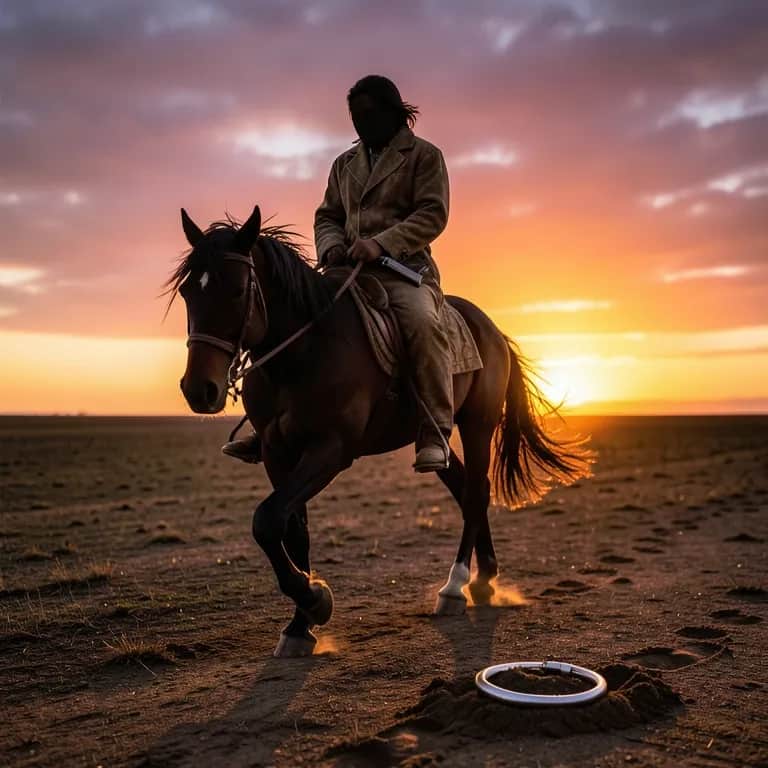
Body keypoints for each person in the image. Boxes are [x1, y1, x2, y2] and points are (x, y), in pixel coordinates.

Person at [223, 74, 453, 471]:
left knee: (422, 323)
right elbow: (328, 215)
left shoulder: (425, 156)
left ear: (392, 112)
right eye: (355, 116)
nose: (360, 123)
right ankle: (268, 424)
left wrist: (381, 243)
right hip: (345, 269)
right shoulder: (344, 164)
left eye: (368, 114)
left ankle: (435, 428)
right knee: (288, 315)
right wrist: (330, 244)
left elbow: (433, 214)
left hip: (403, 271)